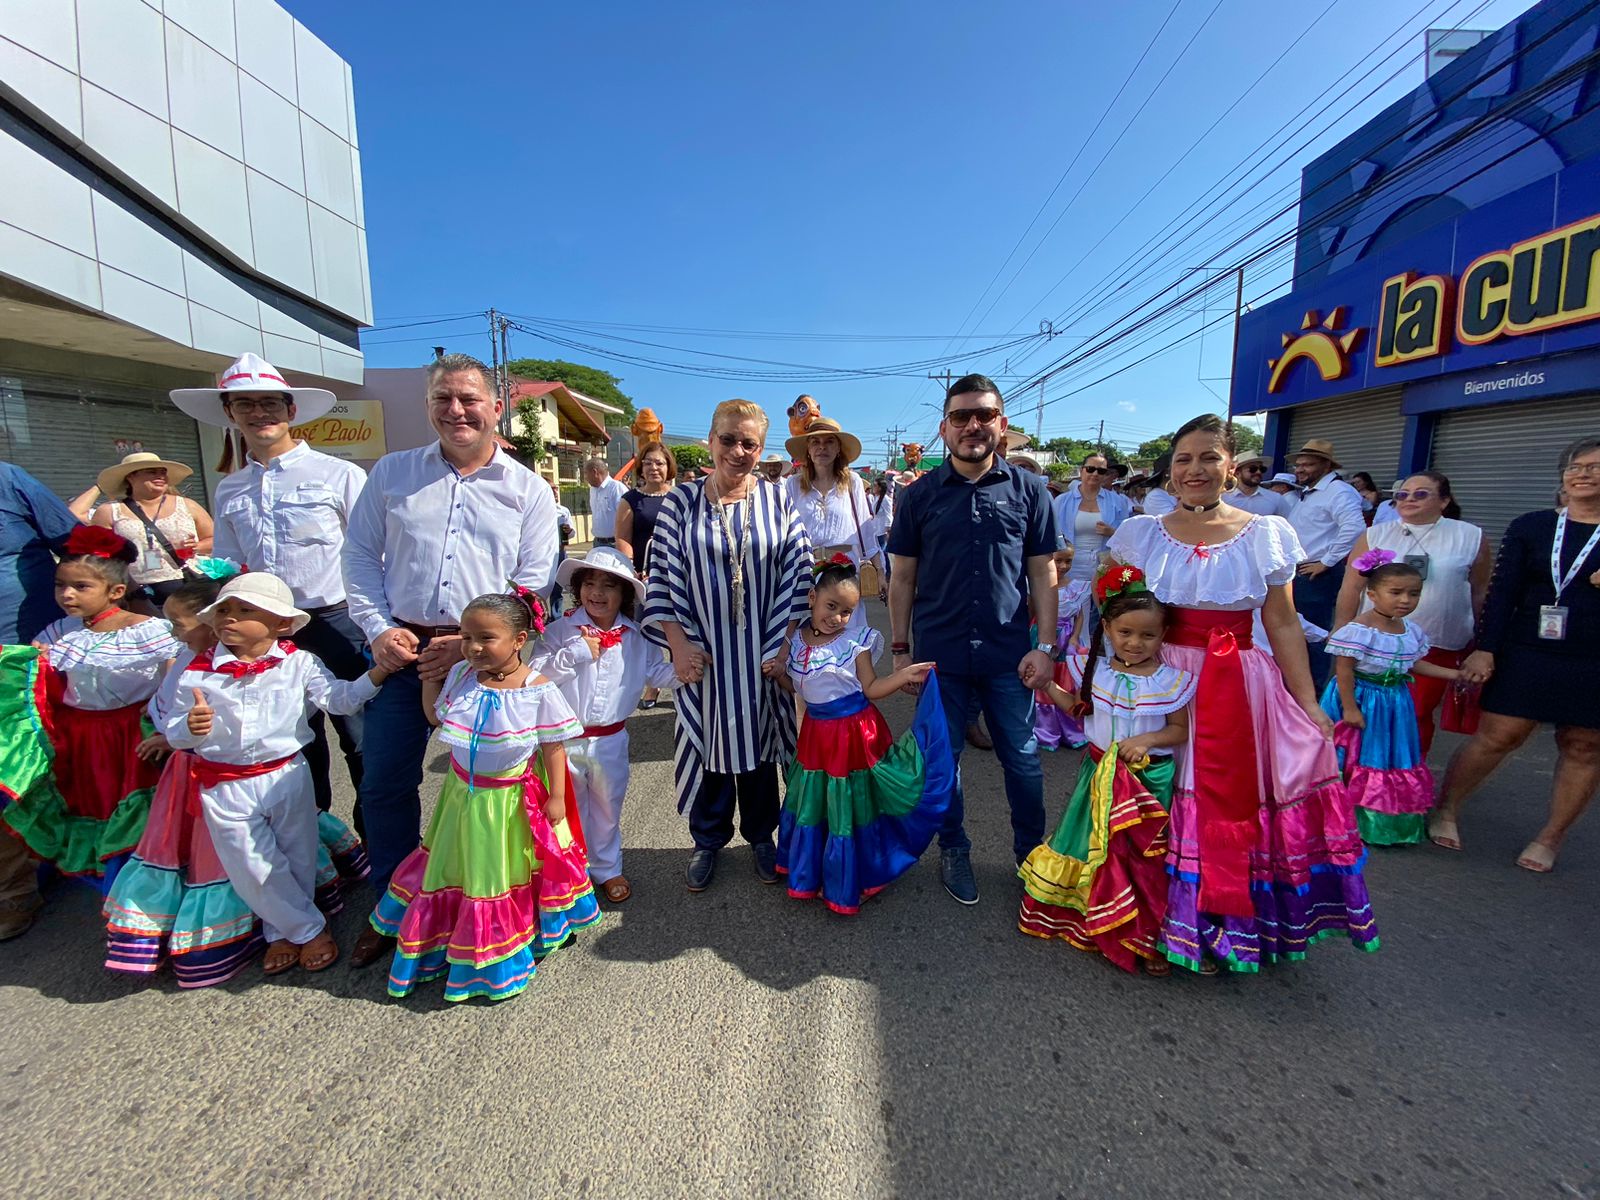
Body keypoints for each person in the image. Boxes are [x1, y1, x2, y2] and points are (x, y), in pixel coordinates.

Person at [1105, 413, 1378, 973]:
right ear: (1171, 469)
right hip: (1161, 680)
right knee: (1149, 795)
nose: (1194, 469)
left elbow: (1281, 623)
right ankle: (1152, 922)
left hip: (1237, 682)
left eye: (1208, 457)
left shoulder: (1266, 533)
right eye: (1183, 459)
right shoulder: (1141, 533)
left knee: (1225, 800)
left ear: (1231, 466)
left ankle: (1221, 927)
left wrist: (1306, 703)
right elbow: (1117, 616)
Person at [343, 353, 560, 969]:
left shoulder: (529, 490)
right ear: (429, 406)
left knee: (498, 790)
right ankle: (394, 904)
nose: (457, 410)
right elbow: (359, 559)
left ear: (497, 408)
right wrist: (379, 629)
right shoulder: (391, 474)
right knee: (385, 782)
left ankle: (501, 904)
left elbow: (533, 584)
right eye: (444, 398)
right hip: (400, 651)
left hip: (485, 663)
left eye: (469, 399)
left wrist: (468, 646)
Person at [103, 563, 369, 985]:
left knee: (297, 854)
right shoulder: (197, 670)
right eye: (223, 610)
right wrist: (189, 729)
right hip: (223, 782)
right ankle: (310, 929)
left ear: (280, 624)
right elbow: (175, 729)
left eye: (243, 611)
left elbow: (339, 700)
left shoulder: (299, 663)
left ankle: (279, 932)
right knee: (251, 863)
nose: (228, 618)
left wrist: (379, 674)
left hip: (286, 774)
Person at [367, 589, 599, 1001]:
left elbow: (553, 746)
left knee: (496, 874)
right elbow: (436, 717)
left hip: (507, 804)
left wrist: (558, 798)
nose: (473, 647)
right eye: (466, 636)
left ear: (519, 639)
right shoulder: (461, 676)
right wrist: (432, 679)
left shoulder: (537, 688)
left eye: (486, 638)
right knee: (456, 868)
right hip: (459, 800)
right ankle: (445, 939)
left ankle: (497, 954)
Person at [172, 353, 370, 825]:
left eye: (269, 404)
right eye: (245, 404)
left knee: (359, 735)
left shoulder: (338, 475)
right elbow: (229, 566)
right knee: (291, 737)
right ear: (230, 414)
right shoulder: (231, 489)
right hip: (263, 629)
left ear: (290, 411)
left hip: (337, 620)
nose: (259, 413)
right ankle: (316, 837)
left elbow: (371, 553)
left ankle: (373, 840)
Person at [887, 374, 1058, 906]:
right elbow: (902, 579)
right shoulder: (918, 497)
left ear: (1001, 425)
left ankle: (1032, 857)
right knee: (945, 760)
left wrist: (1045, 646)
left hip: (1010, 654)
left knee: (1024, 761)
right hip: (941, 655)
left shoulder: (1030, 491)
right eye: (961, 416)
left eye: (983, 415)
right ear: (944, 429)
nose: (972, 425)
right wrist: (899, 650)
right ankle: (954, 849)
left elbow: (1043, 573)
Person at [642, 399, 812, 893]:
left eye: (750, 443)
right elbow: (663, 576)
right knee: (708, 740)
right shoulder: (680, 503)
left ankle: (762, 837)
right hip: (704, 652)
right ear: (711, 441)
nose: (738, 451)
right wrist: (676, 645)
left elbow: (797, 571)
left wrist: (781, 647)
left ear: (761, 449)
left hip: (761, 649)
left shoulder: (779, 500)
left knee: (760, 742)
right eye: (729, 440)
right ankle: (707, 840)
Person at [1430, 436, 1600, 872]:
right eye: (1576, 466)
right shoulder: (1533, 525)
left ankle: (1551, 837)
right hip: (1528, 648)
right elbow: (1502, 592)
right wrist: (1485, 648)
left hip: (1593, 657)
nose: (1584, 473)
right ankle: (1446, 807)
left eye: (1596, 467)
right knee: (1500, 734)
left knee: (1583, 745)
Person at [1018, 570, 1196, 974]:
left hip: (1148, 780)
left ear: (1163, 634)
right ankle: (1095, 921)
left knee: (1142, 859)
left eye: (1147, 636)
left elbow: (1179, 730)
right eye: (1125, 632)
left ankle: (1146, 937)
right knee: (1094, 849)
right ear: (1108, 629)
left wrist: (1147, 741)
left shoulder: (1172, 680)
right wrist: (1045, 686)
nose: (1135, 643)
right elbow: (1077, 710)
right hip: (1098, 774)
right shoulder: (1091, 670)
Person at [0, 526, 180, 895]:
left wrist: (167, 719)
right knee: (94, 810)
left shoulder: (151, 631)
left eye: (81, 587)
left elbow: (178, 677)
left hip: (133, 740)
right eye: (60, 585)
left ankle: (145, 898)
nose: (67, 594)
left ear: (115, 591)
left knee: (136, 819)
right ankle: (115, 895)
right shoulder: (58, 634)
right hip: (83, 743)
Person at [773, 558, 951, 913]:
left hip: (855, 734)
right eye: (831, 606)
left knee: (853, 805)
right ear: (811, 598)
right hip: (817, 737)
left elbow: (870, 687)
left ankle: (858, 874)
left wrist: (903, 676)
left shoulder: (856, 642)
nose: (837, 617)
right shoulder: (794, 643)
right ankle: (813, 871)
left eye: (847, 611)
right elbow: (798, 687)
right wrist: (778, 671)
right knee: (818, 802)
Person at [530, 547, 676, 905]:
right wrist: (577, 652)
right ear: (578, 588)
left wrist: (694, 669)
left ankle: (608, 868)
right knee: (567, 809)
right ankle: (571, 873)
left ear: (624, 594)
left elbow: (659, 672)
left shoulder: (638, 637)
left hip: (611, 739)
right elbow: (533, 678)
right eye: (589, 583)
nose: (597, 592)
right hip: (562, 741)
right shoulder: (559, 632)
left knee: (608, 807)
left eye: (608, 585)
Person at [1333, 471, 1490, 756]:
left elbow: (1480, 592)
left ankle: (1405, 776)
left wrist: (1483, 644)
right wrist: (1342, 632)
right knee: (1370, 709)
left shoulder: (1470, 536)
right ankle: (1364, 774)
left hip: (1438, 642)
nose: (1408, 499)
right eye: (1402, 494)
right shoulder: (1375, 534)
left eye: (1421, 494)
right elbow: (1351, 588)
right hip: (1376, 642)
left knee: (1415, 713)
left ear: (1444, 501)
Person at [1321, 553, 1459, 846]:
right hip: (1360, 696)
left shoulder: (1411, 631)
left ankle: (1381, 821)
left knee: (1387, 756)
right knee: (1355, 755)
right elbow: (1344, 670)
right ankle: (1339, 818)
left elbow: (1414, 664)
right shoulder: (1358, 631)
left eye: (1414, 593)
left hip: (1394, 703)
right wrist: (1350, 708)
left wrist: (1452, 675)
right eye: (1396, 593)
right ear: (1372, 594)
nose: (1406, 600)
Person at [0, 463, 80, 938]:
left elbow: (76, 545)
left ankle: (25, 880)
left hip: (27, 650)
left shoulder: (8, 479)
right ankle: (16, 884)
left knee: (30, 765)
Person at [1285, 438, 1366, 691]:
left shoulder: (1338, 492)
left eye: (1307, 464)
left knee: (1314, 637)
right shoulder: (1310, 493)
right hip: (1300, 573)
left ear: (1326, 465)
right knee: (1297, 633)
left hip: (1316, 576)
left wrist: (1326, 562)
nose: (1300, 470)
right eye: (1298, 465)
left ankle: (1313, 695)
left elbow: (1355, 528)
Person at [90, 451, 214, 611]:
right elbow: (98, 555)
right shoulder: (109, 511)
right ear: (131, 476)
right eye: (152, 472)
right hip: (136, 592)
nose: (160, 476)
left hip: (187, 585)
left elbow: (216, 539)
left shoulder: (187, 505)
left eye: (163, 472)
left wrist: (195, 546)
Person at [784, 416, 882, 619]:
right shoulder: (793, 485)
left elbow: (867, 532)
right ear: (808, 450)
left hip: (844, 574)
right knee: (805, 637)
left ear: (839, 449)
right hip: (804, 574)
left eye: (829, 441)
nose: (822, 447)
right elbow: (783, 534)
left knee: (845, 635)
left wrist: (880, 571)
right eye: (815, 442)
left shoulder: (852, 482)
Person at [1052, 453, 1135, 590]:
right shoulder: (1062, 501)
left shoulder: (1118, 501)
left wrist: (1112, 532)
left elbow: (1127, 536)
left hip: (1103, 569)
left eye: (1101, 471)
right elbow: (1050, 533)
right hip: (1068, 569)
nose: (1095, 474)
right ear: (1081, 470)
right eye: (1090, 469)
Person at [617, 441, 677, 576]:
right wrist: (629, 568)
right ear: (641, 468)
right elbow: (623, 538)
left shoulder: (680, 497)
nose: (653, 468)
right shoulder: (630, 499)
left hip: (676, 570)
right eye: (648, 463)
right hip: (643, 571)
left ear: (668, 467)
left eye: (659, 463)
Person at [1225, 454, 1290, 517]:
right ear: (1237, 473)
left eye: (1262, 469)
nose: (1258, 472)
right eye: (1253, 469)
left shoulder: (1275, 498)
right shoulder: (1224, 498)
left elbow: (1287, 524)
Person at [585, 457, 627, 548]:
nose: (585, 478)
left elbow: (626, 517)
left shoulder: (616, 488)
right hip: (597, 542)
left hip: (614, 543)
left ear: (595, 472)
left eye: (586, 474)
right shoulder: (592, 490)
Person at [550, 482, 577, 615]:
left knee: (557, 587)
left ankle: (556, 617)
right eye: (552, 489)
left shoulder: (563, 510)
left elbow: (572, 534)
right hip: (543, 553)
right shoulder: (536, 509)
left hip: (559, 552)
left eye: (556, 489)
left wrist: (569, 530)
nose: (555, 492)